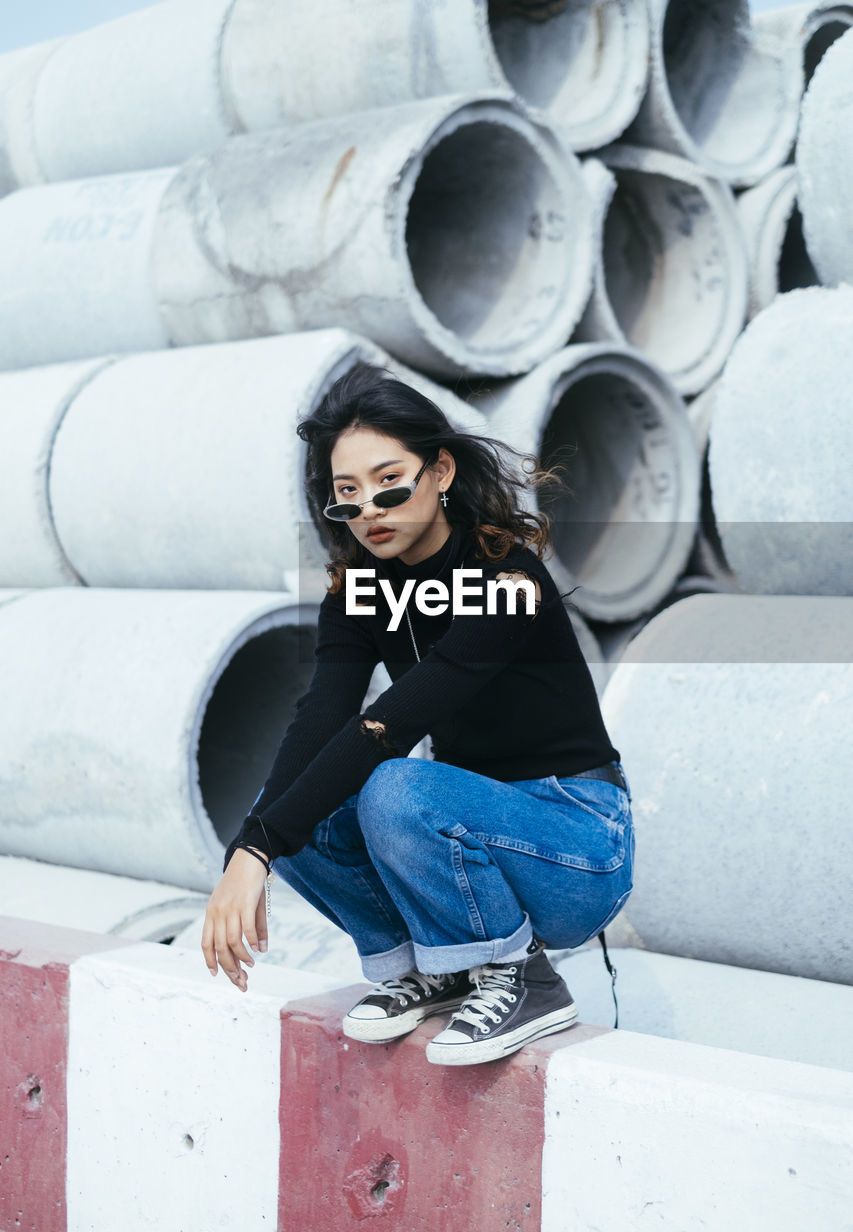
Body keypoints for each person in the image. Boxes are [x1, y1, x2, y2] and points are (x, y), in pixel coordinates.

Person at [201, 363, 635, 1066]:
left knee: (389, 784)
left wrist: (258, 848)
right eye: (347, 492)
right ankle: (428, 972)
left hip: (576, 840)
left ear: (438, 472)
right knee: (287, 807)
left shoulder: (507, 578)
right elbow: (320, 718)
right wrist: (251, 844)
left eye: (387, 480)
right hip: (466, 834)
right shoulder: (360, 591)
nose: (368, 507)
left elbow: (390, 724)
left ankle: (523, 981)